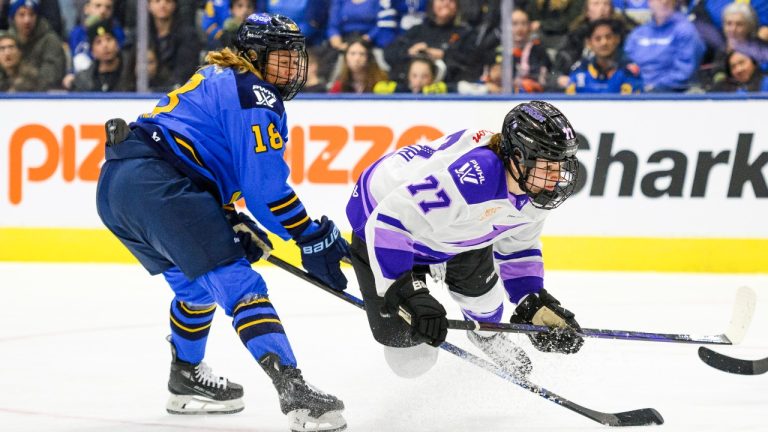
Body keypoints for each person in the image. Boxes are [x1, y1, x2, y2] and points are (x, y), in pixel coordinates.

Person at [95, 13, 349, 432]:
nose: (292, 68)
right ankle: (297, 395)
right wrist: (310, 235)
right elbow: (265, 190)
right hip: (161, 187)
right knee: (240, 285)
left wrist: (228, 218)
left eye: (293, 58)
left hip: (120, 186)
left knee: (197, 287)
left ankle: (185, 377)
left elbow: (195, 154)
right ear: (252, 55)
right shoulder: (255, 94)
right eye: (281, 58)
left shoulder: (219, 75)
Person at [345, 100, 584, 379]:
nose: (557, 179)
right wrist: (406, 290)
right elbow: (389, 220)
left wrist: (530, 299)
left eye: (561, 165)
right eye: (548, 166)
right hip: (382, 227)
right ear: (519, 157)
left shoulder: (533, 190)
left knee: (486, 307)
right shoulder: (474, 178)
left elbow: (519, 246)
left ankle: (486, 336)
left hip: (454, 231)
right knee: (411, 360)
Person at [565, 18, 642, 94]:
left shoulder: (629, 71)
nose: (604, 42)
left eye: (608, 37)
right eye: (598, 39)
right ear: (589, 43)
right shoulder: (580, 70)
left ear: (617, 39)